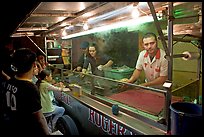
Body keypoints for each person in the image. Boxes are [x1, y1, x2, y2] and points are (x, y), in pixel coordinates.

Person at [0, 48, 50, 135]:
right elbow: (40, 118)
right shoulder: (30, 88)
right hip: (26, 128)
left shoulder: (10, 81)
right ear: (34, 65)